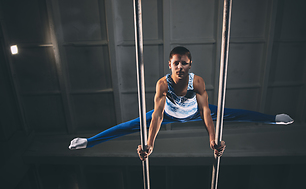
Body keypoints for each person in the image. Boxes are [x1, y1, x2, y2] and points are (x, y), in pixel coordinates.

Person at [69, 46, 293, 160]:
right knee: (129, 125)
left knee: (232, 113)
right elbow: (156, 116)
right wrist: (150, 144)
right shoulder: (162, 84)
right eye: (176, 63)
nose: (180, 67)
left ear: (190, 64)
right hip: (167, 113)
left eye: (184, 63)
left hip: (195, 111)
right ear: (170, 64)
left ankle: (273, 119)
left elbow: (206, 111)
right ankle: (89, 142)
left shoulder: (198, 81)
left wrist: (213, 140)